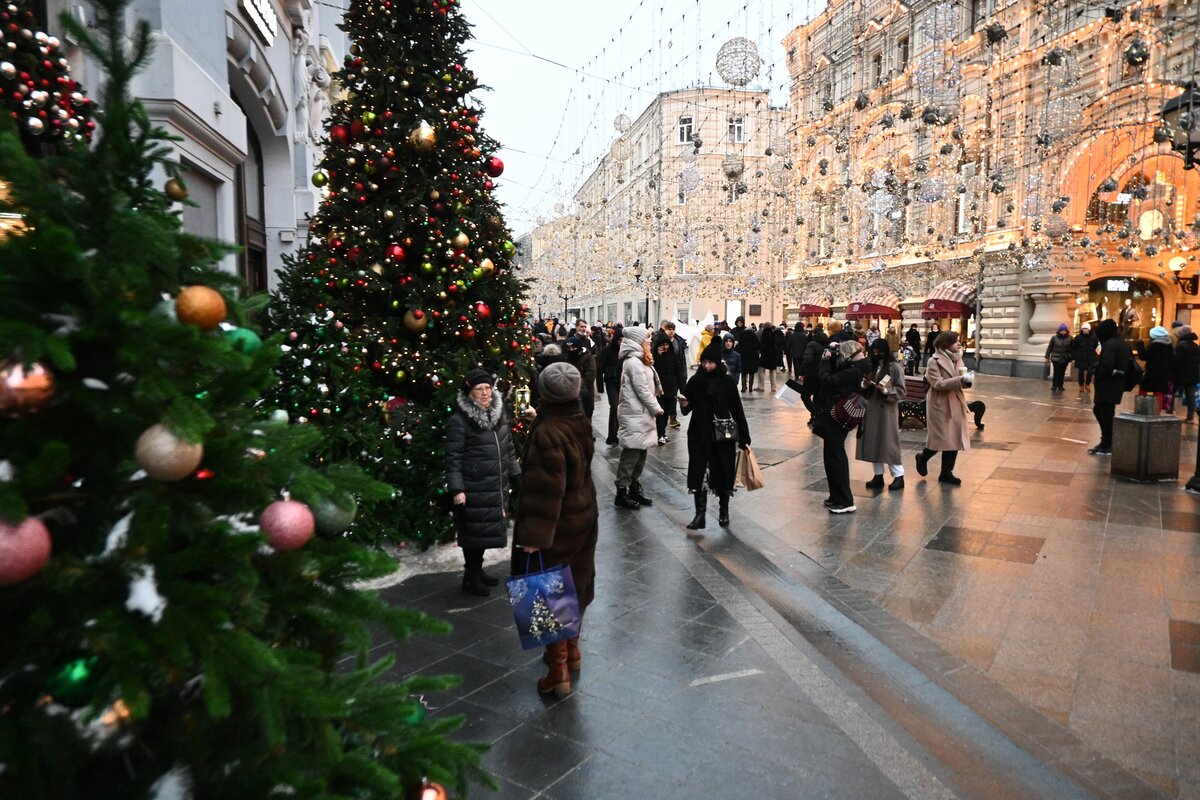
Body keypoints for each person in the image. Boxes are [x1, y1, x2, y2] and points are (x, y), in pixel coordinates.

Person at [510, 362, 598, 697]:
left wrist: (533, 537)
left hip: (557, 524)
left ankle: (557, 668)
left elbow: (544, 489)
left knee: (550, 590)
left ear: (545, 393)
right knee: (575, 583)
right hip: (584, 515)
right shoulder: (578, 420)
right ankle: (572, 652)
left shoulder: (548, 434)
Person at [444, 369, 521, 596]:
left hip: (495, 483)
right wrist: (457, 488)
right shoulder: (460, 421)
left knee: (485, 530)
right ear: (469, 393)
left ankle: (477, 571)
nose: (485, 392)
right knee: (473, 532)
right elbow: (453, 457)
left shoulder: (499, 414)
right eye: (479, 389)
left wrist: (516, 474)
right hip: (474, 484)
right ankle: (470, 576)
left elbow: (508, 447)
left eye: (488, 388)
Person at [678, 340, 751, 532]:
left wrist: (744, 437)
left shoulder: (727, 382)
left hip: (723, 435)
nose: (706, 366)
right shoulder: (695, 381)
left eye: (710, 362)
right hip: (699, 433)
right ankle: (699, 515)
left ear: (718, 363)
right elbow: (687, 407)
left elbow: (737, 409)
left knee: (724, 472)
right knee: (698, 472)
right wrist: (684, 404)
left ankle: (723, 511)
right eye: (704, 362)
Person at [814, 340, 872, 513]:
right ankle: (836, 496)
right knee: (831, 456)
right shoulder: (859, 366)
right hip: (838, 416)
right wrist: (831, 356)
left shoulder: (854, 370)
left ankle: (845, 501)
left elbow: (828, 380)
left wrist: (824, 363)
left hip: (837, 418)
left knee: (836, 458)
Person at [915, 331, 972, 485]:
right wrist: (961, 380)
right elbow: (938, 384)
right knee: (940, 438)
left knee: (954, 439)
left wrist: (967, 382)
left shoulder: (958, 357)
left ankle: (946, 473)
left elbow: (960, 379)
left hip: (955, 401)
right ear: (945, 344)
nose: (959, 344)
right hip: (939, 404)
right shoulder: (934, 361)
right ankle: (923, 457)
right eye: (956, 341)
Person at [615, 326, 661, 509]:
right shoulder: (633, 362)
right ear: (637, 341)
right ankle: (622, 492)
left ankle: (634, 486)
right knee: (631, 453)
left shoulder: (640, 359)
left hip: (642, 413)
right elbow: (641, 389)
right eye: (647, 338)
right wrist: (656, 407)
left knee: (641, 452)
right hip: (634, 413)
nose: (650, 340)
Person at [857, 339, 906, 491]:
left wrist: (886, 391)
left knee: (888, 443)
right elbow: (862, 385)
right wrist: (863, 385)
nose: (876, 355)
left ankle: (899, 476)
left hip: (886, 411)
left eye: (880, 353)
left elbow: (902, 391)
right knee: (873, 442)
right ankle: (878, 475)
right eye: (874, 352)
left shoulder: (894, 368)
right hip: (871, 409)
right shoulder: (870, 366)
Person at [1090, 319, 1132, 454]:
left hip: (1107, 385)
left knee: (1104, 413)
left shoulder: (1110, 345)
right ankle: (1107, 440)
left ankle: (1107, 442)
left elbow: (1107, 366)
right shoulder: (1120, 343)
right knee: (1103, 411)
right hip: (1115, 384)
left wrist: (1097, 369)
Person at [652, 331, 683, 444]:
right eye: (662, 345)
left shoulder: (673, 355)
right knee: (661, 413)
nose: (665, 347)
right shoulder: (654, 357)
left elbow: (678, 372)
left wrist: (681, 388)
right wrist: (658, 356)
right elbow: (655, 370)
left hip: (671, 388)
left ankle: (663, 433)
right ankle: (659, 434)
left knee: (667, 412)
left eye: (666, 344)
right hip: (660, 389)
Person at [595, 326, 623, 445]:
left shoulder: (626, 351)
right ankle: (612, 434)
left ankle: (619, 433)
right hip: (611, 381)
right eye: (619, 340)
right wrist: (600, 386)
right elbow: (600, 368)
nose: (621, 342)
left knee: (622, 409)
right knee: (614, 407)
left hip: (623, 382)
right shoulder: (607, 350)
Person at [799, 324, 829, 425]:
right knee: (817, 396)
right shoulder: (827, 345)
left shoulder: (812, 345)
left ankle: (816, 413)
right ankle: (815, 418)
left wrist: (801, 372)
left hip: (812, 374)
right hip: (824, 374)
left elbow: (807, 360)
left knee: (805, 396)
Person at [1141, 325, 1174, 412]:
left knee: (1143, 389)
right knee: (1159, 392)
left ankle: (1142, 407)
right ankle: (1157, 410)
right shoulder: (1169, 345)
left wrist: (1140, 346)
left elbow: (1144, 356)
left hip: (1153, 371)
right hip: (1164, 372)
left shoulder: (1154, 345)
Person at [564, 336, 597, 420]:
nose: (571, 350)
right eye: (569, 348)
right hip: (570, 395)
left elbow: (590, 376)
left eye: (574, 347)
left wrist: (576, 385)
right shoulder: (567, 358)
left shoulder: (588, 358)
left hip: (585, 393)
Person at [664, 321, 688, 428]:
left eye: (673, 329)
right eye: (669, 329)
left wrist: (684, 373)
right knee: (672, 396)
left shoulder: (678, 341)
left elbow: (682, 358)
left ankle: (683, 411)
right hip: (669, 373)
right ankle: (672, 418)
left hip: (680, 372)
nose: (671, 331)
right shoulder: (662, 342)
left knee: (682, 394)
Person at [1173, 326, 1199, 423]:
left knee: (1171, 392)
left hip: (1181, 374)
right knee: (1191, 395)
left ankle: (1170, 412)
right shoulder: (1196, 346)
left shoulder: (1180, 346)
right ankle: (1190, 417)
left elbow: (1177, 362)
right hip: (1193, 374)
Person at [733, 316, 761, 392]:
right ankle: (750, 388)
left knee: (744, 371)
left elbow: (739, 344)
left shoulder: (742, 335)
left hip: (743, 355)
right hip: (752, 356)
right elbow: (758, 345)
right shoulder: (753, 335)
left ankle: (743, 387)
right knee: (751, 372)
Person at [1045, 323, 1073, 392]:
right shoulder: (1054, 338)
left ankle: (1060, 386)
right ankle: (1054, 386)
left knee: (1062, 372)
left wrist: (1071, 356)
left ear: (1066, 331)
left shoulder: (1070, 338)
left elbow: (1073, 348)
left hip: (1065, 358)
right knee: (1056, 372)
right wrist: (1047, 357)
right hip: (1056, 358)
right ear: (1059, 331)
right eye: (1062, 330)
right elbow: (1050, 347)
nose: (1063, 332)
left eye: (1064, 331)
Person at [1071, 322, 1098, 393]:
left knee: (1090, 371)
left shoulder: (1094, 337)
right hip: (1081, 357)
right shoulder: (1078, 337)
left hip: (1090, 357)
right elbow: (1074, 346)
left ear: (1089, 329)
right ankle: (1081, 385)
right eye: (1083, 329)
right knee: (1081, 372)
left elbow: (1095, 345)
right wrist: (1076, 355)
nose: (1084, 330)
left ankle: (1087, 384)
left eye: (1086, 329)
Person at [759, 321, 781, 393]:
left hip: (765, 355)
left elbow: (763, 344)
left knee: (761, 370)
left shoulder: (764, 334)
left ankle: (761, 386)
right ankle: (773, 387)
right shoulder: (773, 333)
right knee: (772, 371)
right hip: (773, 355)